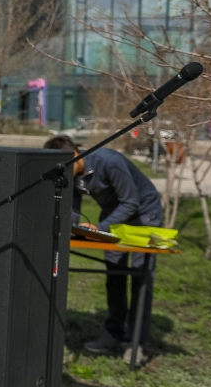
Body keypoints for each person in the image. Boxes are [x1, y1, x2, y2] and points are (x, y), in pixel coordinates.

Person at [43, 136, 163, 358]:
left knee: (140, 276)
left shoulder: (108, 161)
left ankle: (136, 342)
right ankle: (114, 333)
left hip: (144, 214)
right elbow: (75, 205)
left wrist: (100, 228)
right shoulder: (73, 172)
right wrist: (71, 226)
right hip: (114, 215)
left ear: (75, 155)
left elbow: (131, 202)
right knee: (114, 274)